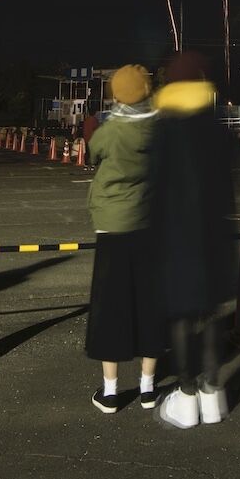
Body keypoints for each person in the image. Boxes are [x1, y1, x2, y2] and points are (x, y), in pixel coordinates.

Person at [150, 51, 237, 430]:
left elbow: (152, 189)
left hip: (175, 237)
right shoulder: (219, 128)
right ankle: (212, 393)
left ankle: (186, 396)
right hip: (215, 237)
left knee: (183, 318)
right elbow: (232, 187)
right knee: (213, 315)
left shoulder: (164, 129)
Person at [84, 64, 165, 415]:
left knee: (111, 306)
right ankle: (148, 387)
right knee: (150, 303)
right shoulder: (161, 127)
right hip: (150, 223)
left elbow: (93, 149)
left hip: (113, 225)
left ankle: (112, 391)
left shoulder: (112, 130)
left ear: (117, 94)